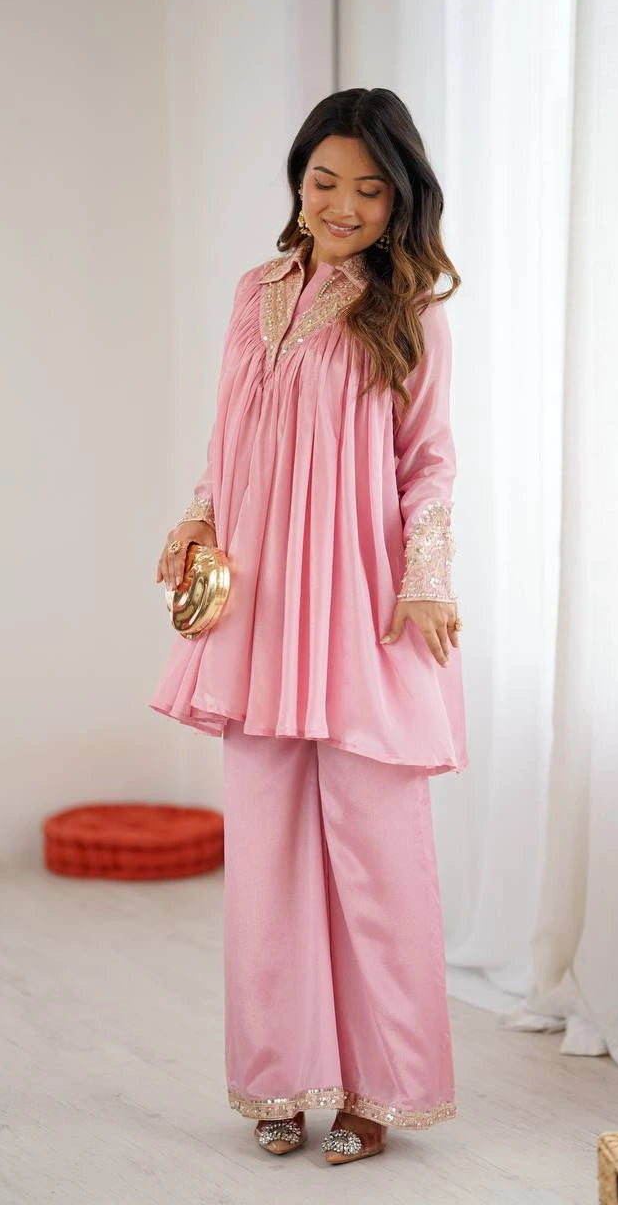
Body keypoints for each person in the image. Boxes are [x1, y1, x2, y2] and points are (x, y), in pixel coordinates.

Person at [151, 87, 468, 1166]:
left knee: (378, 857)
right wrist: (196, 521)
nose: (340, 203)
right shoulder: (257, 292)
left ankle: (382, 1086)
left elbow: (428, 462)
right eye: (323, 178)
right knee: (269, 859)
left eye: (368, 189)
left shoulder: (408, 309)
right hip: (259, 614)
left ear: (398, 201)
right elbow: (226, 438)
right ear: (297, 176)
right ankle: (281, 1082)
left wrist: (425, 576)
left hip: (363, 610)